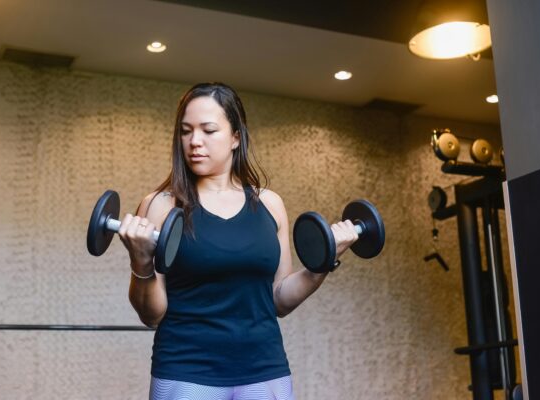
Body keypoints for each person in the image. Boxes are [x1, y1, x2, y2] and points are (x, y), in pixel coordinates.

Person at [117, 82, 359, 400]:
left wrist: (324, 262)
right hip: (187, 370)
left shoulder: (269, 204)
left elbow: (278, 300)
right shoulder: (161, 205)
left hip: (265, 368)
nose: (194, 142)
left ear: (235, 137)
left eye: (208, 130)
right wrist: (141, 263)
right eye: (186, 131)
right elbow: (152, 315)